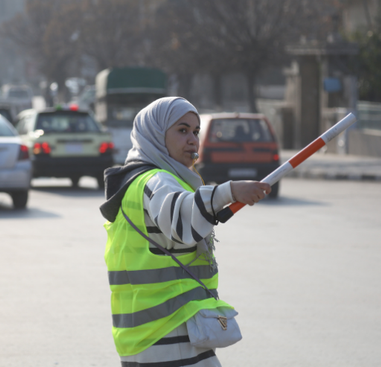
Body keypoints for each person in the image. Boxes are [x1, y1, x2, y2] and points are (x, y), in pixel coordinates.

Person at [100, 97, 271, 366]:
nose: (192, 139)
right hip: (170, 331)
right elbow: (182, 218)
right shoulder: (156, 180)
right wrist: (230, 191)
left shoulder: (136, 180)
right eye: (182, 130)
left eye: (195, 131)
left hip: (145, 336)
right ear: (155, 134)